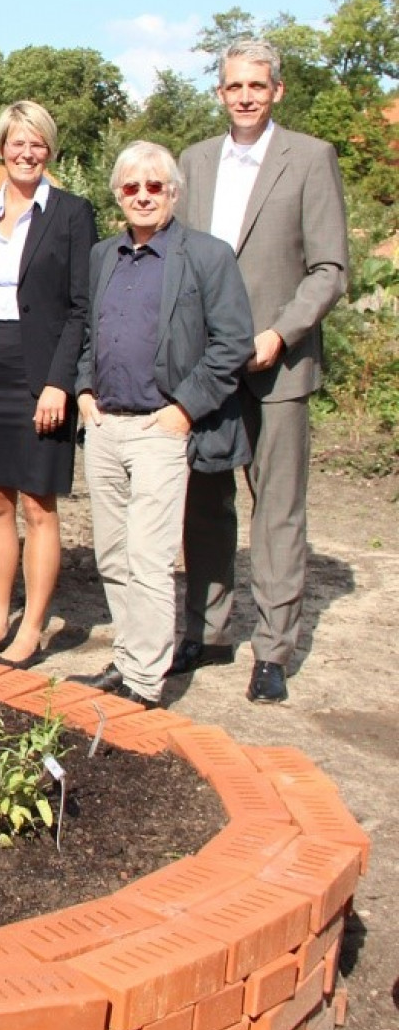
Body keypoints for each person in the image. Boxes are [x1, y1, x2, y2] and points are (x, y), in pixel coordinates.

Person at [174, 38, 350, 704]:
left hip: (280, 365)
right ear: (219, 92)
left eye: (256, 85)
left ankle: (273, 648)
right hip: (208, 368)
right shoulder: (193, 162)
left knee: (276, 509)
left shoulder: (309, 158)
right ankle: (208, 629)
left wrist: (280, 332)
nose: (244, 96)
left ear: (276, 90)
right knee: (205, 503)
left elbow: (329, 267)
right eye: (233, 86)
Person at [71, 141, 254, 709]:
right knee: (113, 555)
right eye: (132, 187)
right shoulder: (105, 255)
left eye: (155, 186)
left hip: (161, 428)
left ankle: (146, 682)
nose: (143, 196)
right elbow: (88, 331)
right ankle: (129, 658)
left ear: (173, 192)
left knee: (149, 559)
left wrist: (183, 410)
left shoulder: (206, 256)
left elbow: (233, 344)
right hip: (105, 427)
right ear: (117, 195)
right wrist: (82, 389)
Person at [0, 102, 96, 668]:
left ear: (50, 150)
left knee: (39, 504)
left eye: (37, 142)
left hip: (41, 372)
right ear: (1, 148)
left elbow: (81, 307)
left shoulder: (71, 213)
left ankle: (32, 627)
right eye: (17, 141)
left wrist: (58, 383)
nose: (27, 151)